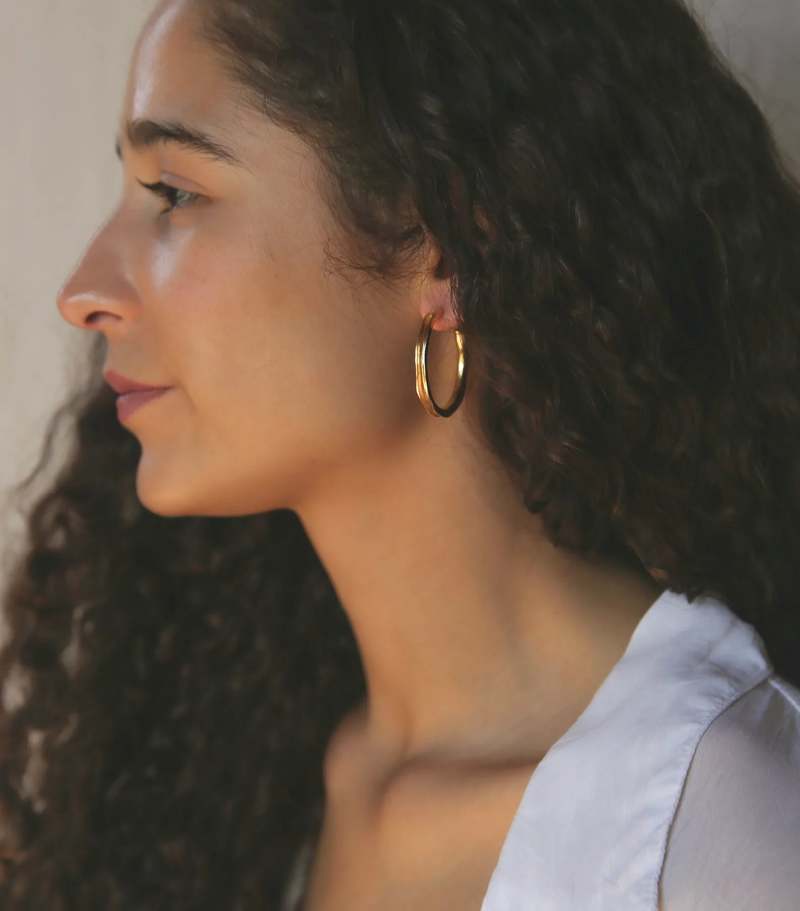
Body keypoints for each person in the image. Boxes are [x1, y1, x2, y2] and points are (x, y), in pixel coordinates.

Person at [0, 0, 798, 907]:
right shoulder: (235, 781)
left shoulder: (721, 823)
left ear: (443, 254)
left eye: (175, 193)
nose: (82, 293)